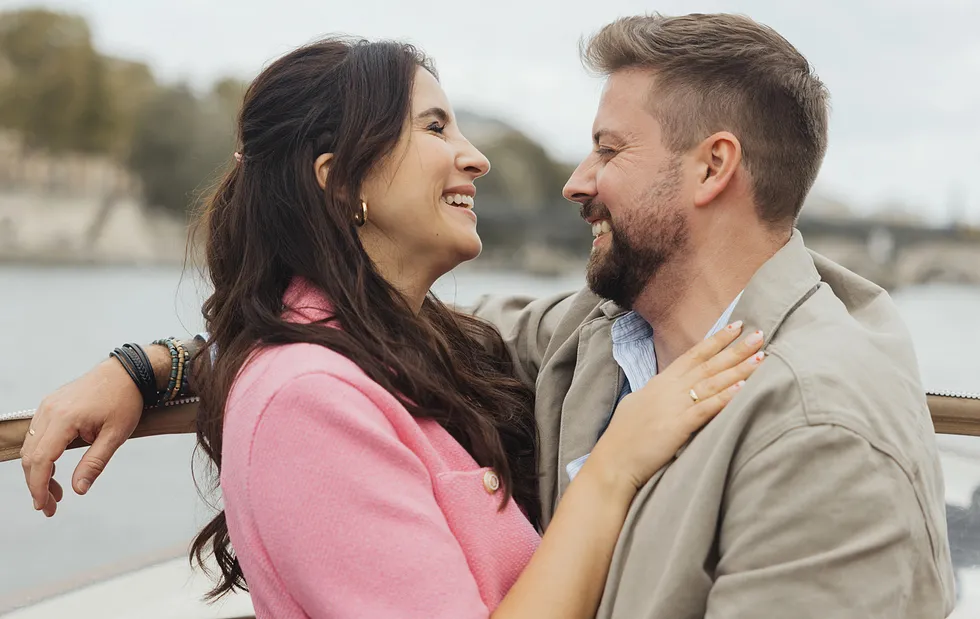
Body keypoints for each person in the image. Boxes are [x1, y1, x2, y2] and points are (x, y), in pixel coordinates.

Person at [19, 12, 956, 619]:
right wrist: (150, 366)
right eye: (436, 127)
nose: (571, 181)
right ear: (342, 182)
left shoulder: (818, 430)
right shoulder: (593, 340)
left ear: (713, 167)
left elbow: (356, 341)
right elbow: (324, 353)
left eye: (608, 150)